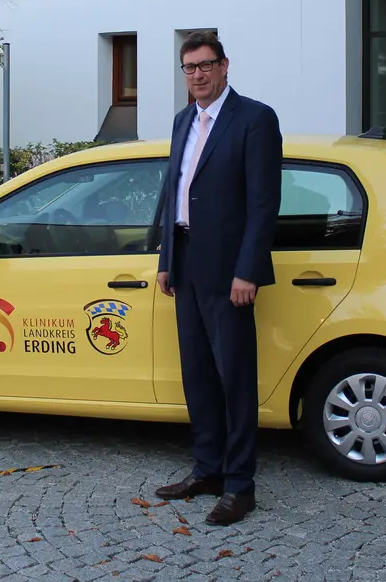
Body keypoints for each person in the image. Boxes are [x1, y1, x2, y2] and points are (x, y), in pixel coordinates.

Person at [154, 31, 282, 525]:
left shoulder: (255, 118)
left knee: (234, 379)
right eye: (189, 68)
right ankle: (206, 468)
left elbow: (262, 203)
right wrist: (167, 257)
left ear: (225, 66)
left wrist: (247, 269)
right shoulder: (182, 120)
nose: (198, 75)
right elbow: (176, 192)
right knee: (199, 376)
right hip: (186, 263)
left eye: (206, 65)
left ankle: (240, 485)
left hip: (230, 271)